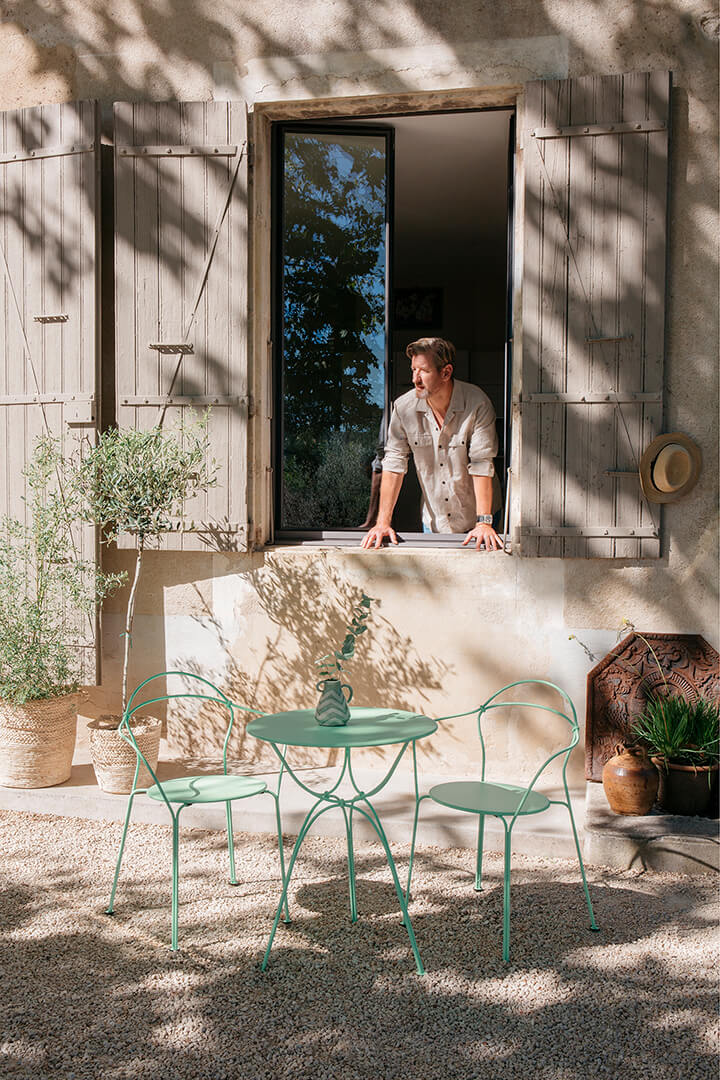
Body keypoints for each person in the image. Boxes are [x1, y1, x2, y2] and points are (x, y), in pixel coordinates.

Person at [361, 337, 503, 551]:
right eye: (413, 370)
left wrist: (483, 522)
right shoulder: (403, 408)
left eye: (423, 371)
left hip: (482, 518)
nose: (415, 379)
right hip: (435, 522)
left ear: (446, 373)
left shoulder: (477, 403)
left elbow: (482, 462)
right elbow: (393, 464)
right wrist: (382, 523)